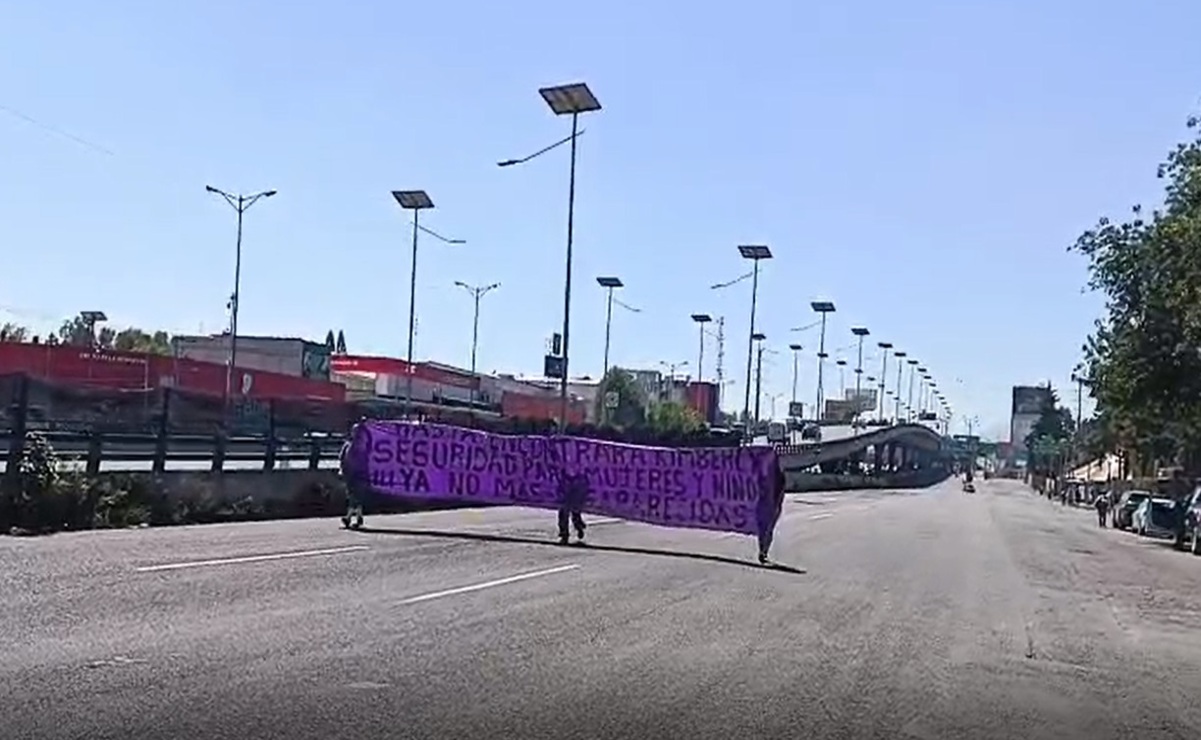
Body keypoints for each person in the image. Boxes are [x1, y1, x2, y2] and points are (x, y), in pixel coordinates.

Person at [757, 463, 787, 565]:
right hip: (767, 506)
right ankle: (763, 551)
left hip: (771, 506)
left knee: (765, 530)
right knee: (766, 530)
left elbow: (780, 494)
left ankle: (763, 551)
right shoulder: (766, 477)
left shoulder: (778, 478)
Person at [340, 419, 367, 530]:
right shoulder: (348, 444)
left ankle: (349, 517)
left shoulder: (362, 446)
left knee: (354, 496)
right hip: (349, 473)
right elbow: (342, 458)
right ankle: (358, 517)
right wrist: (342, 470)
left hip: (358, 474)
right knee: (354, 496)